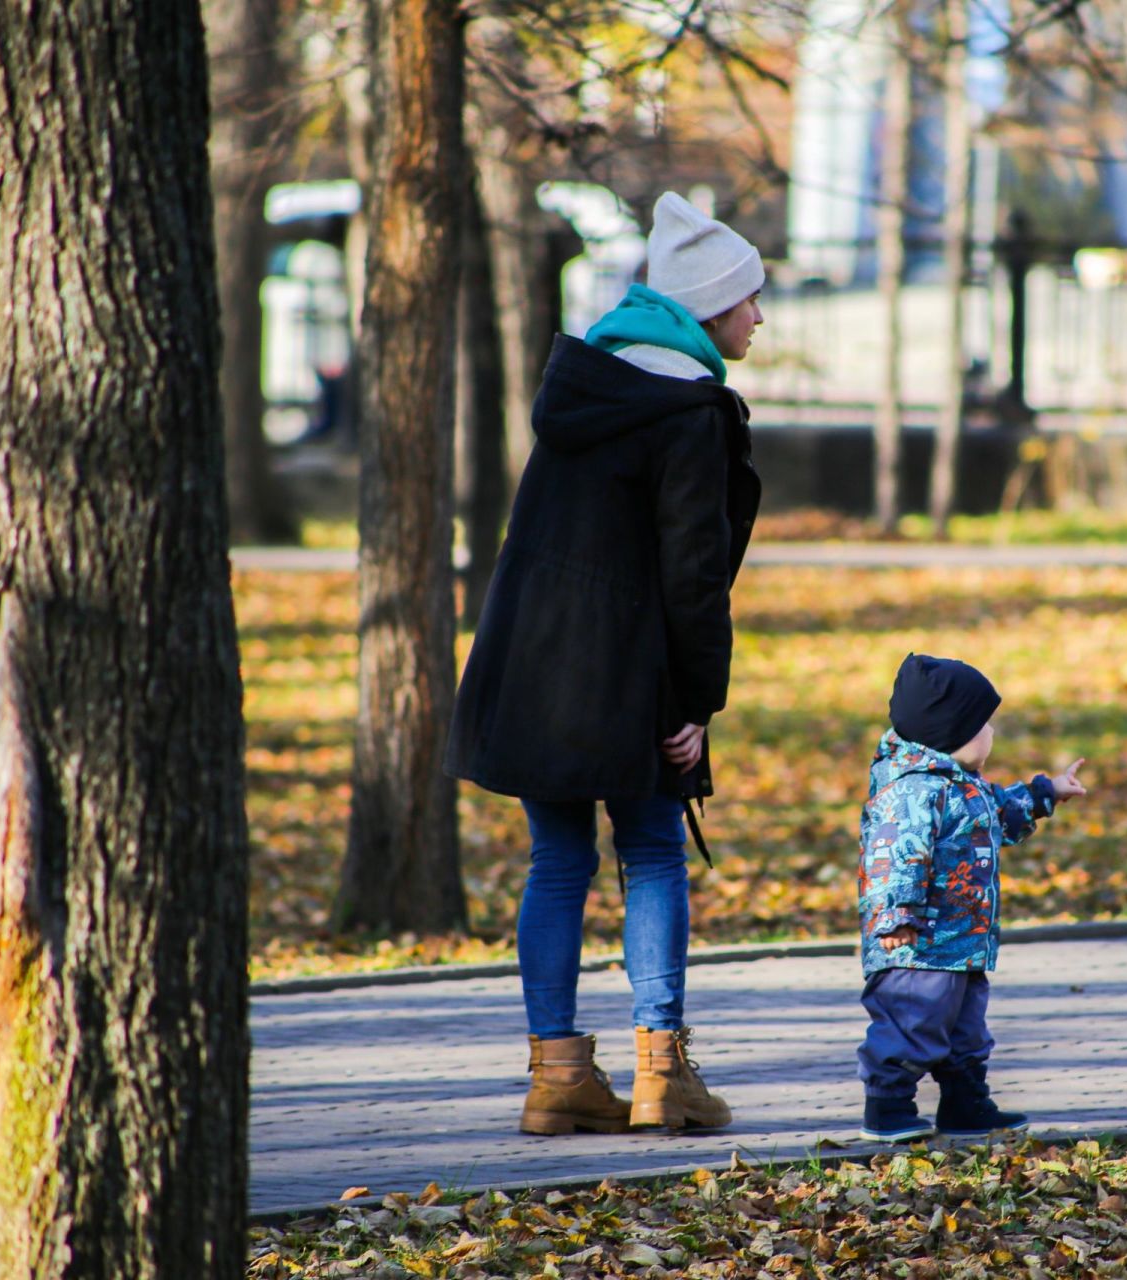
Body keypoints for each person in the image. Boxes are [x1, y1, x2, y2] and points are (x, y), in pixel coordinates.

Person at [446, 192, 764, 1136]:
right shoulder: (689, 410)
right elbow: (693, 575)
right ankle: (661, 1072)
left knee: (557, 860)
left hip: (535, 665)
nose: (759, 316)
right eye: (750, 298)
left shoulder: (585, 391)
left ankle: (556, 1078)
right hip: (634, 676)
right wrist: (699, 698)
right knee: (655, 852)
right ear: (708, 306)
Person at [855, 653, 1087, 1142]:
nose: (992, 732)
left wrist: (1047, 792)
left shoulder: (963, 787)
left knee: (966, 1031)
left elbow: (1002, 811)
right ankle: (888, 1106)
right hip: (916, 946)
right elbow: (895, 856)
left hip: (961, 943)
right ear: (952, 730)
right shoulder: (913, 793)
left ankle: (965, 1103)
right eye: (985, 723)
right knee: (910, 1023)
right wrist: (896, 916)